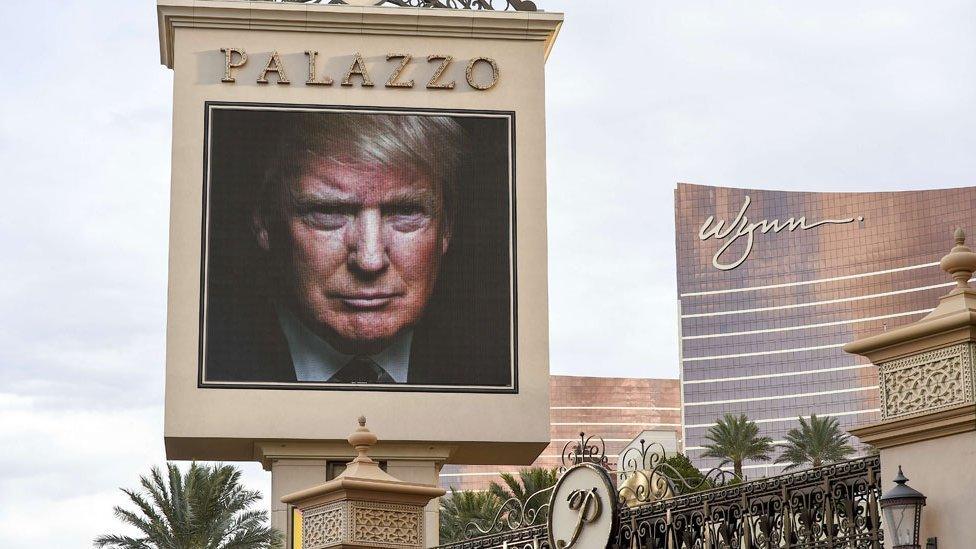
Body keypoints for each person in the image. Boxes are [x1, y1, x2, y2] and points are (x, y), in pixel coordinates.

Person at [204, 111, 511, 387]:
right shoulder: (211, 363)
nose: (370, 260)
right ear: (264, 222)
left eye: (405, 211)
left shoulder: (495, 368)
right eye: (328, 212)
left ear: (447, 226)